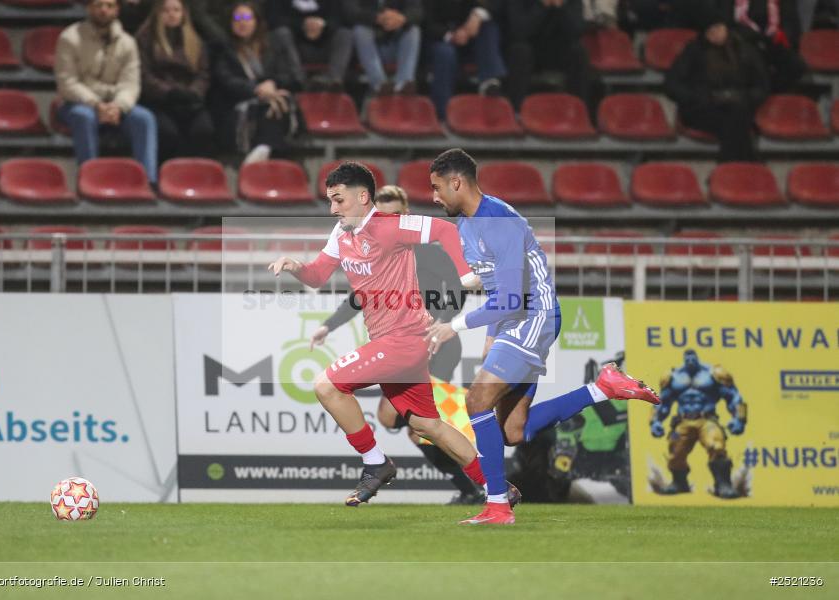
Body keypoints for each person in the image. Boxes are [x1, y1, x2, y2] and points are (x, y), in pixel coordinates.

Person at [425, 148, 660, 525]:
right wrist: (456, 287)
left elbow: (510, 299)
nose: (434, 197)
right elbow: (492, 277)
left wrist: (452, 326)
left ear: (457, 182)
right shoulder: (468, 224)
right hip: (514, 317)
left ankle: (498, 505)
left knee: (477, 399)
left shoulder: (498, 221)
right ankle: (603, 388)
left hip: (533, 315)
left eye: (437, 188)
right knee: (512, 431)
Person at [268, 162, 517, 509]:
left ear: (362, 196)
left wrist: (464, 274)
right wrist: (296, 267)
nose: (332, 209)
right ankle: (497, 486)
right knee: (428, 426)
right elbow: (317, 276)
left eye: (338, 200)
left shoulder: (391, 226)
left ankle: (375, 462)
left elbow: (446, 231)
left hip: (404, 339)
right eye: (330, 201)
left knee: (327, 385)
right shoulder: (340, 235)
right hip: (390, 340)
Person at [309, 184, 483, 504]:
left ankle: (466, 486)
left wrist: (444, 321)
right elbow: (362, 296)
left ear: (404, 215)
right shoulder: (374, 247)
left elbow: (457, 290)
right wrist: (327, 326)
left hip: (434, 343)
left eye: (392, 213)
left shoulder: (425, 249)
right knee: (418, 425)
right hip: (406, 340)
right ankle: (486, 484)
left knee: (410, 424)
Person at [54, 0, 158, 185]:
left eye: (109, 6)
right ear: (89, 8)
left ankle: (147, 181)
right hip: (78, 103)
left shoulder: (128, 42)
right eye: (99, 5)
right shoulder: (69, 38)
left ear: (117, 10)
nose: (104, 10)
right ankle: (89, 178)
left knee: (145, 118)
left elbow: (131, 84)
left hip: (115, 104)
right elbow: (67, 83)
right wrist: (96, 104)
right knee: (83, 117)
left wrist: (118, 106)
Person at [665, 9, 770, 162]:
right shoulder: (694, 51)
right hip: (702, 108)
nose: (716, 34)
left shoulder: (744, 49)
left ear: (726, 28)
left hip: (738, 104)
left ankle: (727, 169)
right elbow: (672, 84)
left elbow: (762, 85)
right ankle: (750, 163)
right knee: (737, 120)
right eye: (711, 31)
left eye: (719, 28)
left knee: (735, 116)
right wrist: (697, 97)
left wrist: (746, 97)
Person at [209, 1, 302, 161]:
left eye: (246, 17)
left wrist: (272, 84)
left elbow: (294, 78)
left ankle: (263, 148)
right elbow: (227, 81)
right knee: (272, 105)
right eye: (237, 18)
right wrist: (257, 90)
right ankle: (265, 148)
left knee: (281, 100)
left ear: (256, 21)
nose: (242, 22)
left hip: (272, 102)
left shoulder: (272, 45)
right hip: (237, 107)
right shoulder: (222, 48)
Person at [651, 349, 746, 499]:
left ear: (697, 358)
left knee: (716, 445)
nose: (690, 360)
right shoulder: (674, 377)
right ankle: (679, 482)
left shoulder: (712, 374)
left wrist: (738, 418)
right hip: (683, 420)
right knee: (675, 452)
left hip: (706, 419)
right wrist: (656, 421)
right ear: (684, 359)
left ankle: (723, 484)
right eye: (687, 358)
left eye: (692, 357)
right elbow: (662, 402)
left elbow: (733, 396)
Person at [135, 0, 216, 161]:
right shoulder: (145, 38)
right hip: (159, 101)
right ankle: (168, 177)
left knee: (204, 130)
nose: (171, 14)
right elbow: (144, 74)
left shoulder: (195, 40)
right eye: (166, 10)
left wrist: (194, 92)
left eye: (176, 10)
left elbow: (203, 74)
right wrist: (170, 92)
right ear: (158, 13)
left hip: (190, 100)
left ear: (183, 13)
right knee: (168, 133)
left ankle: (196, 176)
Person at [502, 0, 599, 114]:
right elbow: (520, 31)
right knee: (520, 51)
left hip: (556, 52)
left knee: (578, 52)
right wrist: (542, 5)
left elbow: (576, 31)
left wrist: (561, 7)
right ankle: (516, 111)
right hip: (528, 49)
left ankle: (579, 110)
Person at [422, 0, 506, 120]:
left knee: (489, 27)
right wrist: (451, 36)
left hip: (466, 37)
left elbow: (491, 7)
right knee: (445, 53)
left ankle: (489, 82)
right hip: (438, 39)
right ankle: (443, 111)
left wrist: (477, 15)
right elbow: (425, 23)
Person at [717, 0, 806, 92]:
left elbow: (791, 22)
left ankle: (775, 94)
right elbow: (725, 23)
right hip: (744, 41)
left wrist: (784, 35)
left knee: (796, 65)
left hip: (773, 41)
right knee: (758, 69)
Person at [268, 0, 354, 91]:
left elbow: (341, 18)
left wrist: (323, 25)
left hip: (325, 46)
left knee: (346, 34)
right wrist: (303, 25)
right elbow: (273, 19)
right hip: (295, 50)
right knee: (281, 33)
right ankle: (299, 80)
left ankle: (333, 79)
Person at [343, 0, 423, 95]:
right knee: (360, 31)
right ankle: (380, 86)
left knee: (413, 31)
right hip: (367, 49)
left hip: (396, 46)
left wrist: (402, 18)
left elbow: (418, 11)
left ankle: (403, 84)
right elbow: (350, 12)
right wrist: (378, 18)